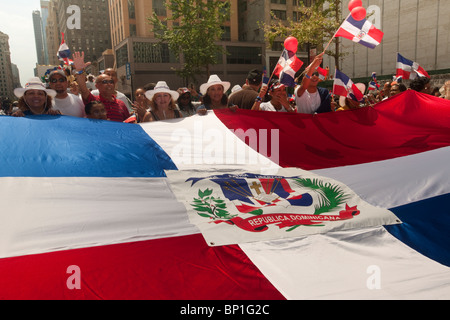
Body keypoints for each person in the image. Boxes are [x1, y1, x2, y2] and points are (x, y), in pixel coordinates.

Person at [72, 51, 131, 122]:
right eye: (105, 82)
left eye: (111, 82)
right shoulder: (93, 101)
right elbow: (83, 89)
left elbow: (128, 123)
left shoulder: (121, 104)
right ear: (97, 85)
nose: (109, 84)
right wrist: (79, 71)